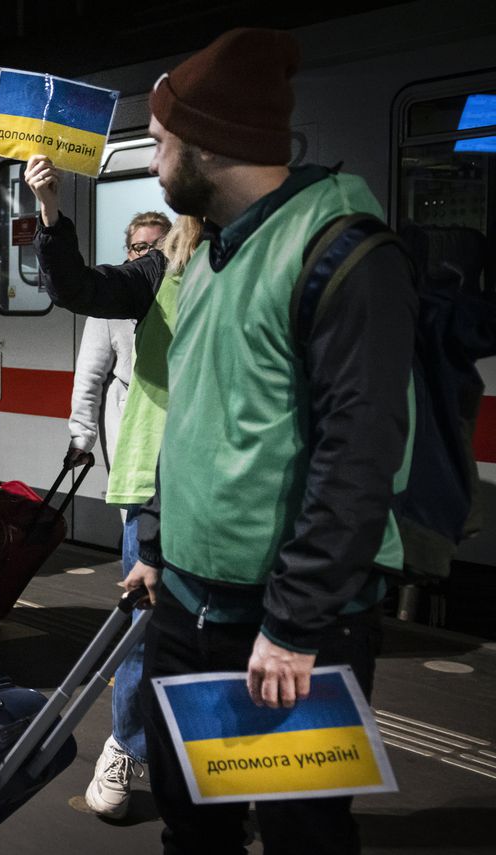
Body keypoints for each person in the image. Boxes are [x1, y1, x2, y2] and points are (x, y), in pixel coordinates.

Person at [123, 29, 416, 854]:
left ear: (209, 146)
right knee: (194, 828)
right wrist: (154, 536)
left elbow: (357, 457)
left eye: (159, 144)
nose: (154, 166)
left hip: (287, 626)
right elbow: (199, 415)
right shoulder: (215, 252)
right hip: (189, 602)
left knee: (299, 835)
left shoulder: (344, 253)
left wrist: (292, 623)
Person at [28, 151, 202, 819]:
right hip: (151, 475)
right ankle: (125, 745)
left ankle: (205, 765)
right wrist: (50, 211)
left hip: (228, 489)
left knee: (213, 639)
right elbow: (80, 293)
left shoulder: (247, 263)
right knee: (142, 622)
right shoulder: (159, 273)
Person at [65, 212, 170, 475]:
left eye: (157, 247)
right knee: (134, 504)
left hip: (174, 417)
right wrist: (82, 436)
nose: (149, 254)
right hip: (127, 415)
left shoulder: (183, 290)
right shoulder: (115, 297)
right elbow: (90, 375)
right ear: (129, 251)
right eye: (141, 247)